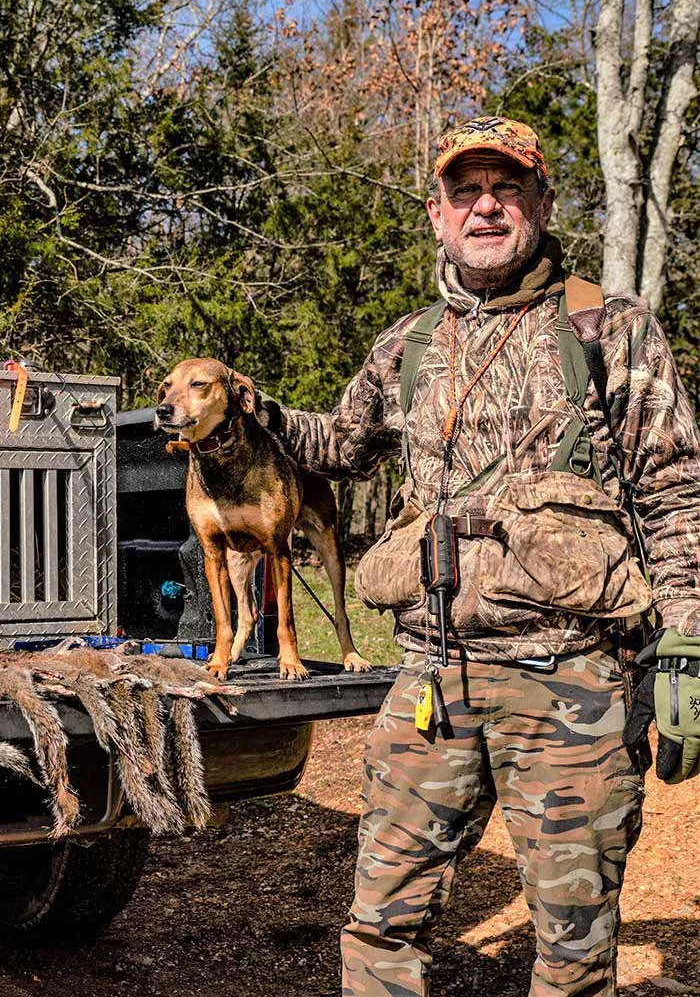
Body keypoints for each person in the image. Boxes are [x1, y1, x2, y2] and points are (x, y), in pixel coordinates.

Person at [278, 116, 700, 995]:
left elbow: (676, 493)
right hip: (430, 679)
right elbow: (336, 445)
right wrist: (250, 408)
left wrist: (688, 644)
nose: (486, 207)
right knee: (379, 924)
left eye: (507, 188)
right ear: (436, 214)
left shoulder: (606, 327)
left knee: (574, 951)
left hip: (572, 682)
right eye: (465, 191)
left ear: (542, 204)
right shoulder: (410, 342)